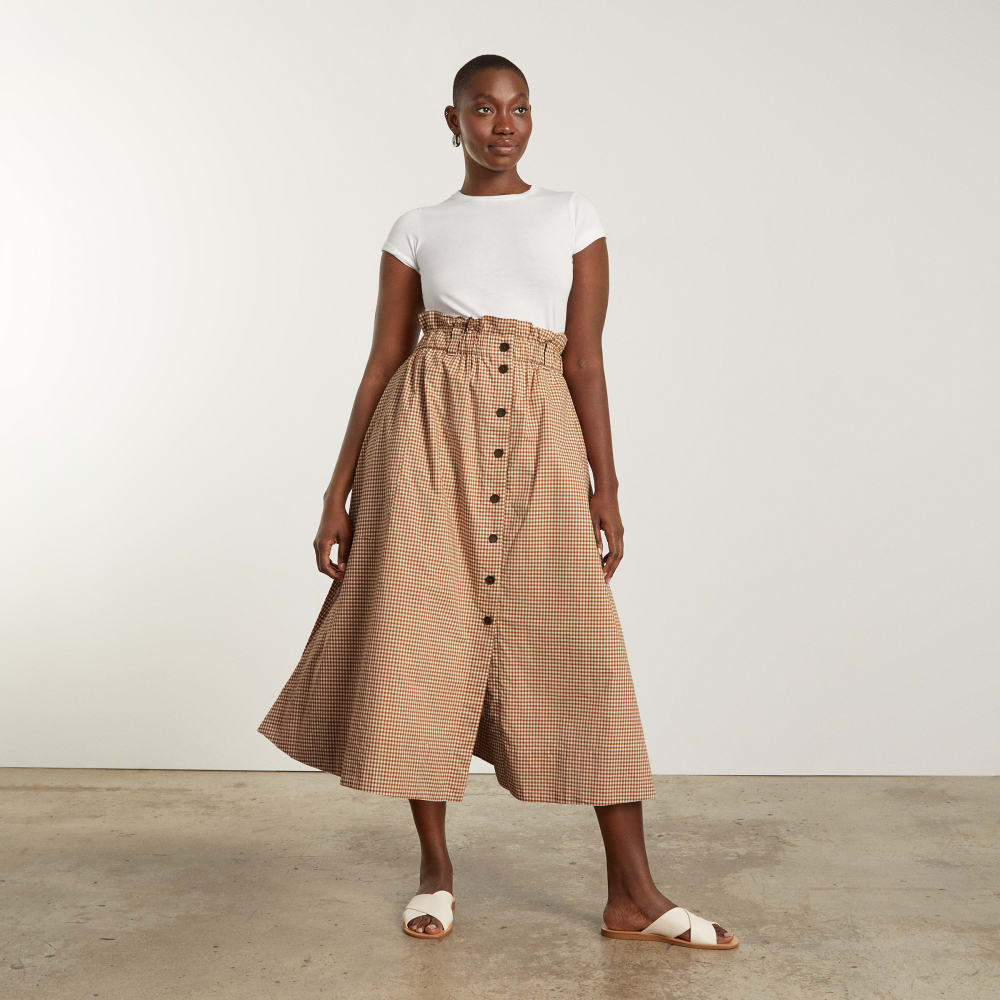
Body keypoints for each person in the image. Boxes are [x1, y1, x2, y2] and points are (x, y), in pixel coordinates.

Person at [257, 53, 738, 951]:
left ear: (532, 117)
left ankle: (632, 894)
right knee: (420, 644)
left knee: (583, 654)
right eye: (482, 109)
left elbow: (585, 359)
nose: (502, 124)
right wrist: (336, 491)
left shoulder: (573, 216)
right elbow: (383, 360)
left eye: (517, 108)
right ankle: (435, 872)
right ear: (453, 122)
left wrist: (607, 485)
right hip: (424, 444)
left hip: (544, 447)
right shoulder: (417, 227)